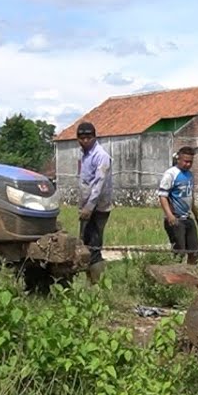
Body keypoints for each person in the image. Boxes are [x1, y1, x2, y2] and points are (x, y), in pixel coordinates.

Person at [75, 121, 113, 282]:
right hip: (86, 207)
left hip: (98, 208)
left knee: (94, 246)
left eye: (88, 138)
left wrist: (89, 207)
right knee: (84, 243)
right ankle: (88, 280)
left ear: (94, 137)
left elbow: (99, 184)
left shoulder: (100, 155)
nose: (85, 141)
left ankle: (96, 285)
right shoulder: (84, 155)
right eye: (82, 138)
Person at [158, 146, 198, 264]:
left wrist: (197, 215)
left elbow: (190, 196)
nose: (188, 164)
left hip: (187, 218)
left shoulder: (189, 175)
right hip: (175, 219)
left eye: (190, 162)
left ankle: (190, 275)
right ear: (179, 159)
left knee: (195, 252)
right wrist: (169, 215)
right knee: (179, 252)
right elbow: (162, 196)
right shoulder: (171, 174)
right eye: (186, 161)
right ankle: (175, 277)